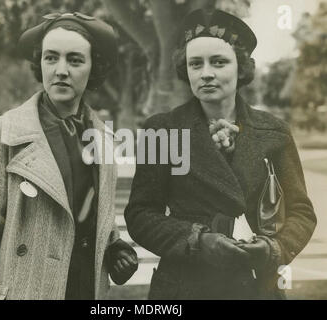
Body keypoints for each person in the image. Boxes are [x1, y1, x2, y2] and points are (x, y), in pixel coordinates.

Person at [124, 9, 317, 299]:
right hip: (183, 284)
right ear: (185, 70)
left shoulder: (274, 131)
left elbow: (302, 212)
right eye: (195, 64)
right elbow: (141, 214)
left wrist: (272, 247)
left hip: (255, 284)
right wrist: (196, 240)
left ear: (240, 68)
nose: (206, 74)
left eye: (219, 62)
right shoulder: (161, 129)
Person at [0, 12, 138, 300]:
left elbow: (93, 217)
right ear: (40, 64)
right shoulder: (5, 133)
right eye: (51, 58)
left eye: (74, 60)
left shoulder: (104, 140)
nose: (61, 70)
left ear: (93, 68)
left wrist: (115, 247)